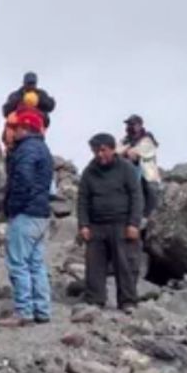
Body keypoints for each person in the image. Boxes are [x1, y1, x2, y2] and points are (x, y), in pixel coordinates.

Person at [0, 109, 54, 326]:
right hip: (41, 213)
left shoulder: (26, 149)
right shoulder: (43, 148)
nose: (13, 132)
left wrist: (13, 205)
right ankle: (42, 309)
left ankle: (24, 311)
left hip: (25, 213)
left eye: (16, 127)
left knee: (18, 263)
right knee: (36, 264)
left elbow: (23, 178)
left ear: (25, 128)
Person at [77, 133, 142, 312]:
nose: (99, 154)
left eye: (103, 150)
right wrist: (83, 225)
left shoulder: (126, 169)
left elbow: (136, 196)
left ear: (112, 149)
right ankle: (95, 300)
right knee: (94, 265)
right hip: (96, 225)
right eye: (95, 151)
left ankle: (128, 301)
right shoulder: (89, 172)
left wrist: (134, 223)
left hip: (121, 224)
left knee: (125, 264)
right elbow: (82, 199)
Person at [118, 114, 162, 219]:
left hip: (147, 173)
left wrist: (127, 150)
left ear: (140, 125)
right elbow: (116, 151)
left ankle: (149, 216)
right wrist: (127, 149)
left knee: (151, 189)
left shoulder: (147, 138)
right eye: (128, 124)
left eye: (132, 124)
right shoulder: (125, 140)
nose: (129, 127)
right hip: (129, 173)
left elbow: (135, 153)